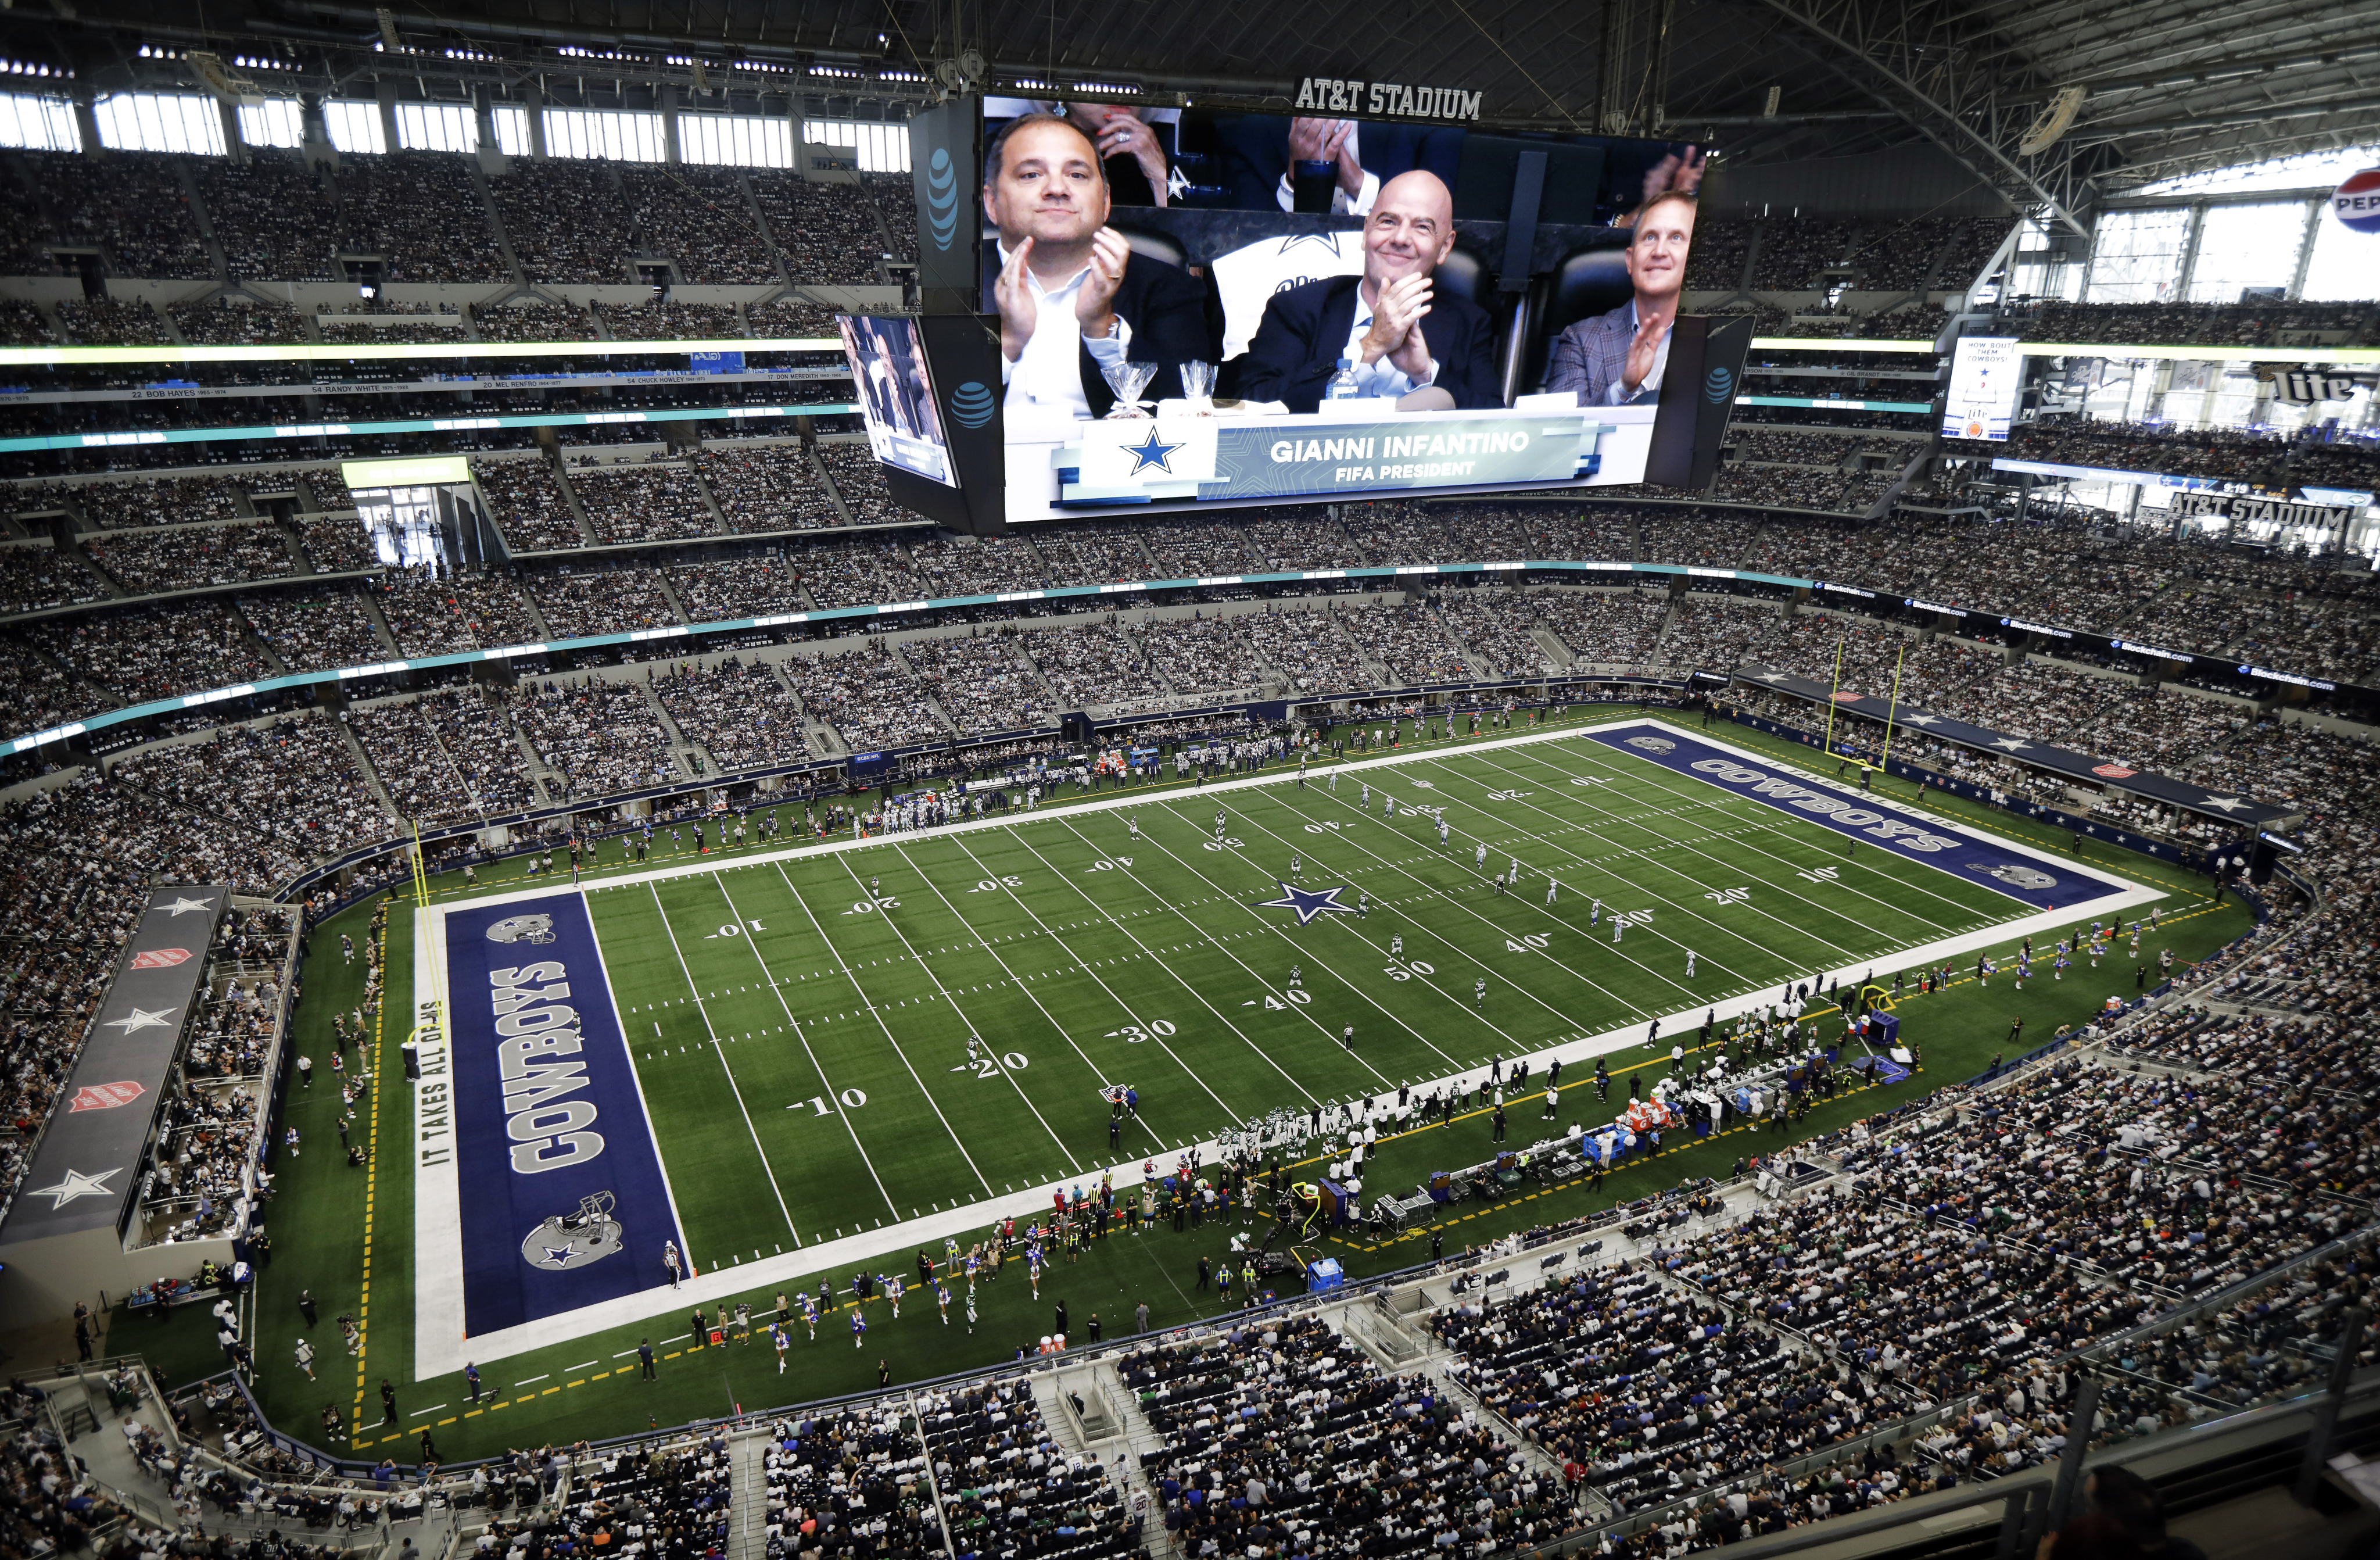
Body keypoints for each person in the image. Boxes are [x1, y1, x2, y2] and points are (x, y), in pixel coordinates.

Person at [980, 113, 1210, 420]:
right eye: (1032, 174)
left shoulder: (1169, 289)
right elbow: (915, 406)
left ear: (1105, 202)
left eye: (1077, 175)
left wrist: (1102, 329)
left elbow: (1186, 418)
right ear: (992, 203)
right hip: (985, 463)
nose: (1057, 189)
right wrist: (1007, 341)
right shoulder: (943, 283)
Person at [1238, 170, 1499, 412]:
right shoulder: (1298, 307)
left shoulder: (1469, 322)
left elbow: (1497, 426)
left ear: (1444, 247)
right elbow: (1254, 401)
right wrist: (1369, 349)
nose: (1400, 239)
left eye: (1422, 227)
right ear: (1366, 232)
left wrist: (1425, 374)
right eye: (1388, 221)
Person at [1541, 192, 1696, 403]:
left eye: (1676, 238)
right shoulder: (1581, 340)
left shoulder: (1724, 341)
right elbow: (1559, 431)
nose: (1659, 251)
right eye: (1650, 237)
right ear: (1630, 261)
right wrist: (1623, 389)